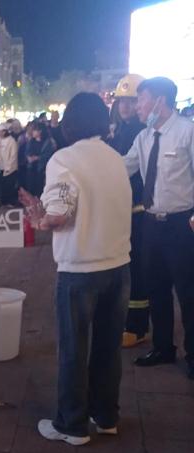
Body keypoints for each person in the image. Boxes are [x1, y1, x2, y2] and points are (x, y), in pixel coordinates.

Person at [20, 92, 131, 446]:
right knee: (107, 347)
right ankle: (106, 415)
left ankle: (71, 424)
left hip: (80, 269)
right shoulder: (115, 158)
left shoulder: (63, 159)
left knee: (73, 348)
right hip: (119, 265)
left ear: (70, 123)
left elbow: (60, 214)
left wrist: (38, 218)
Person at [124, 77, 194, 379]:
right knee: (157, 290)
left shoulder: (187, 132)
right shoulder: (144, 137)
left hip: (182, 225)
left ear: (160, 101)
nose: (137, 107)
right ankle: (164, 348)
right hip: (151, 225)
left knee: (188, 293)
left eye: (141, 100)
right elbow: (123, 166)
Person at [109, 74, 149, 348]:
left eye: (132, 100)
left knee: (139, 270)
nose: (125, 106)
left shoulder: (140, 131)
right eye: (121, 100)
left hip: (139, 211)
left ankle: (137, 326)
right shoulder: (121, 130)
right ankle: (129, 321)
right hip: (124, 208)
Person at [0, 123, 19, 206]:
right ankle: (3, 201)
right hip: (1, 166)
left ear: (4, 132)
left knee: (9, 185)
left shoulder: (11, 141)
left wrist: (9, 167)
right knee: (2, 185)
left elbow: (13, 155)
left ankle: (10, 201)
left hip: (11, 168)